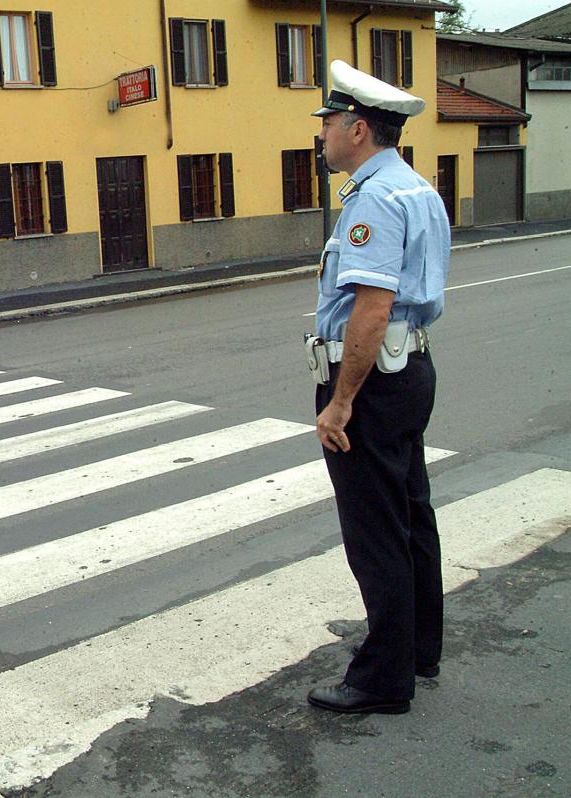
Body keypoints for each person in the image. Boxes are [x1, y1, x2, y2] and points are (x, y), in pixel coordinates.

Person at [305, 60, 451, 714]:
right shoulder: (417, 187)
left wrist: (341, 400)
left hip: (372, 379)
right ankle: (418, 650)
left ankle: (381, 680)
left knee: (376, 530)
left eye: (329, 123)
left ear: (358, 129)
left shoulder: (373, 199)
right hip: (410, 370)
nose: (323, 135)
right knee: (411, 512)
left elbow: (372, 307)